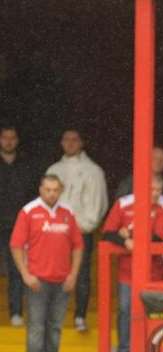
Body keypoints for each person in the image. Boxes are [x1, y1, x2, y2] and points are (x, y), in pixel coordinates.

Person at [9, 174, 83, 352]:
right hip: (37, 282)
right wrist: (25, 274)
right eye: (47, 190)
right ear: (40, 190)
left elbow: (78, 246)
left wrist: (73, 275)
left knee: (55, 328)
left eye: (55, 190)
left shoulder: (68, 212)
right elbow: (16, 245)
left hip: (62, 282)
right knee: (36, 329)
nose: (51, 194)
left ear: (61, 191)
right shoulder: (28, 211)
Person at [101, 177, 163, 352]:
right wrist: (123, 240)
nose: (156, 193)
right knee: (125, 311)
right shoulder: (123, 203)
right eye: (152, 189)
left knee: (153, 312)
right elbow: (108, 232)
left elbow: (157, 237)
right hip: (127, 270)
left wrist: (129, 235)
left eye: (159, 189)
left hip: (154, 271)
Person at [46, 128, 108, 332]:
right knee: (54, 273)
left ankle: (80, 315)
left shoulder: (94, 171)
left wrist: (82, 227)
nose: (70, 143)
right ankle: (55, 316)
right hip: (55, 232)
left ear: (82, 143)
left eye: (75, 140)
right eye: (66, 140)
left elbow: (98, 204)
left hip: (81, 232)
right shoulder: (54, 169)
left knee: (81, 275)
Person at [0, 125, 36, 327]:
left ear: (17, 140)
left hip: (18, 229)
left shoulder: (26, 165)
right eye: (5, 137)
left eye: (12, 138)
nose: (8, 141)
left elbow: (32, 198)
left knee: (16, 271)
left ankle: (15, 313)